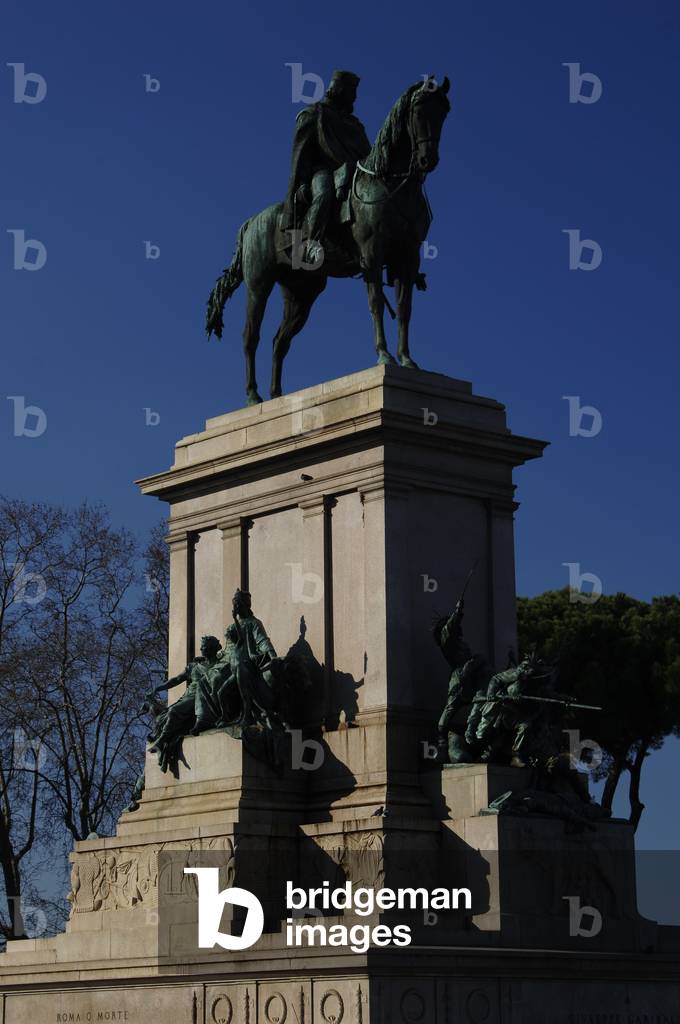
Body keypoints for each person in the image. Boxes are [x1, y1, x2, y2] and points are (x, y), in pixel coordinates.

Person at [283, 69, 370, 265]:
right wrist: (303, 182)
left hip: (353, 172)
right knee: (324, 193)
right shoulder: (315, 113)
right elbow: (301, 154)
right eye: (351, 92)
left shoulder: (354, 125)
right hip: (322, 170)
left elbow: (368, 155)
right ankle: (312, 242)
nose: (354, 98)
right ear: (340, 90)